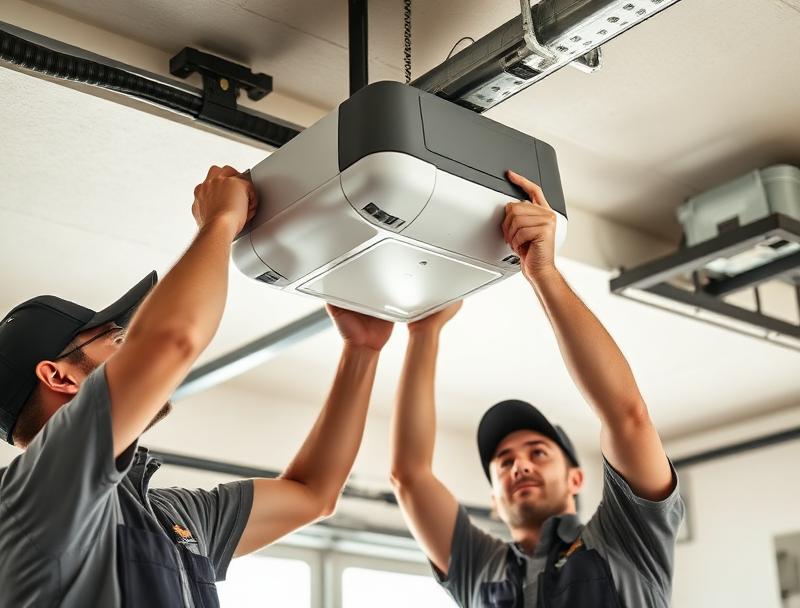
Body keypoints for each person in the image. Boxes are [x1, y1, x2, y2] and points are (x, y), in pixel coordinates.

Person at [0, 165, 394, 607]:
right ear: (59, 376)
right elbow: (172, 341)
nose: (131, 352)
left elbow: (311, 494)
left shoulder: (170, 517)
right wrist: (220, 221)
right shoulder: (29, 499)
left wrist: (362, 350)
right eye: (118, 341)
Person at [390, 170, 685, 608]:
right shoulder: (479, 570)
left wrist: (543, 272)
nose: (520, 466)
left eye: (538, 452)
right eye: (505, 461)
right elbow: (409, 478)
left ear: (575, 478)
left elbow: (627, 416)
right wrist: (423, 333)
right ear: (494, 500)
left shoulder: (627, 540)